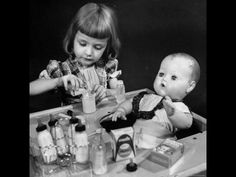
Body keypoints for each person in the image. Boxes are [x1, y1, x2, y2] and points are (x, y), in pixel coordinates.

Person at [30, 3, 121, 105]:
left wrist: (106, 92)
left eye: (98, 47)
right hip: (74, 119)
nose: (89, 52)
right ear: (73, 39)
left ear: (107, 46)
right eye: (83, 44)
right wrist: (58, 81)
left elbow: (119, 92)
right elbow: (31, 88)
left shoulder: (107, 66)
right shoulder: (63, 68)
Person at [109, 53, 200, 149]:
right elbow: (131, 102)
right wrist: (122, 110)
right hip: (133, 143)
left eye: (173, 77)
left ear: (190, 86)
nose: (164, 79)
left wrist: (173, 113)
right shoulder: (148, 97)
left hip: (159, 150)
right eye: (161, 74)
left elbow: (186, 123)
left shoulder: (178, 107)